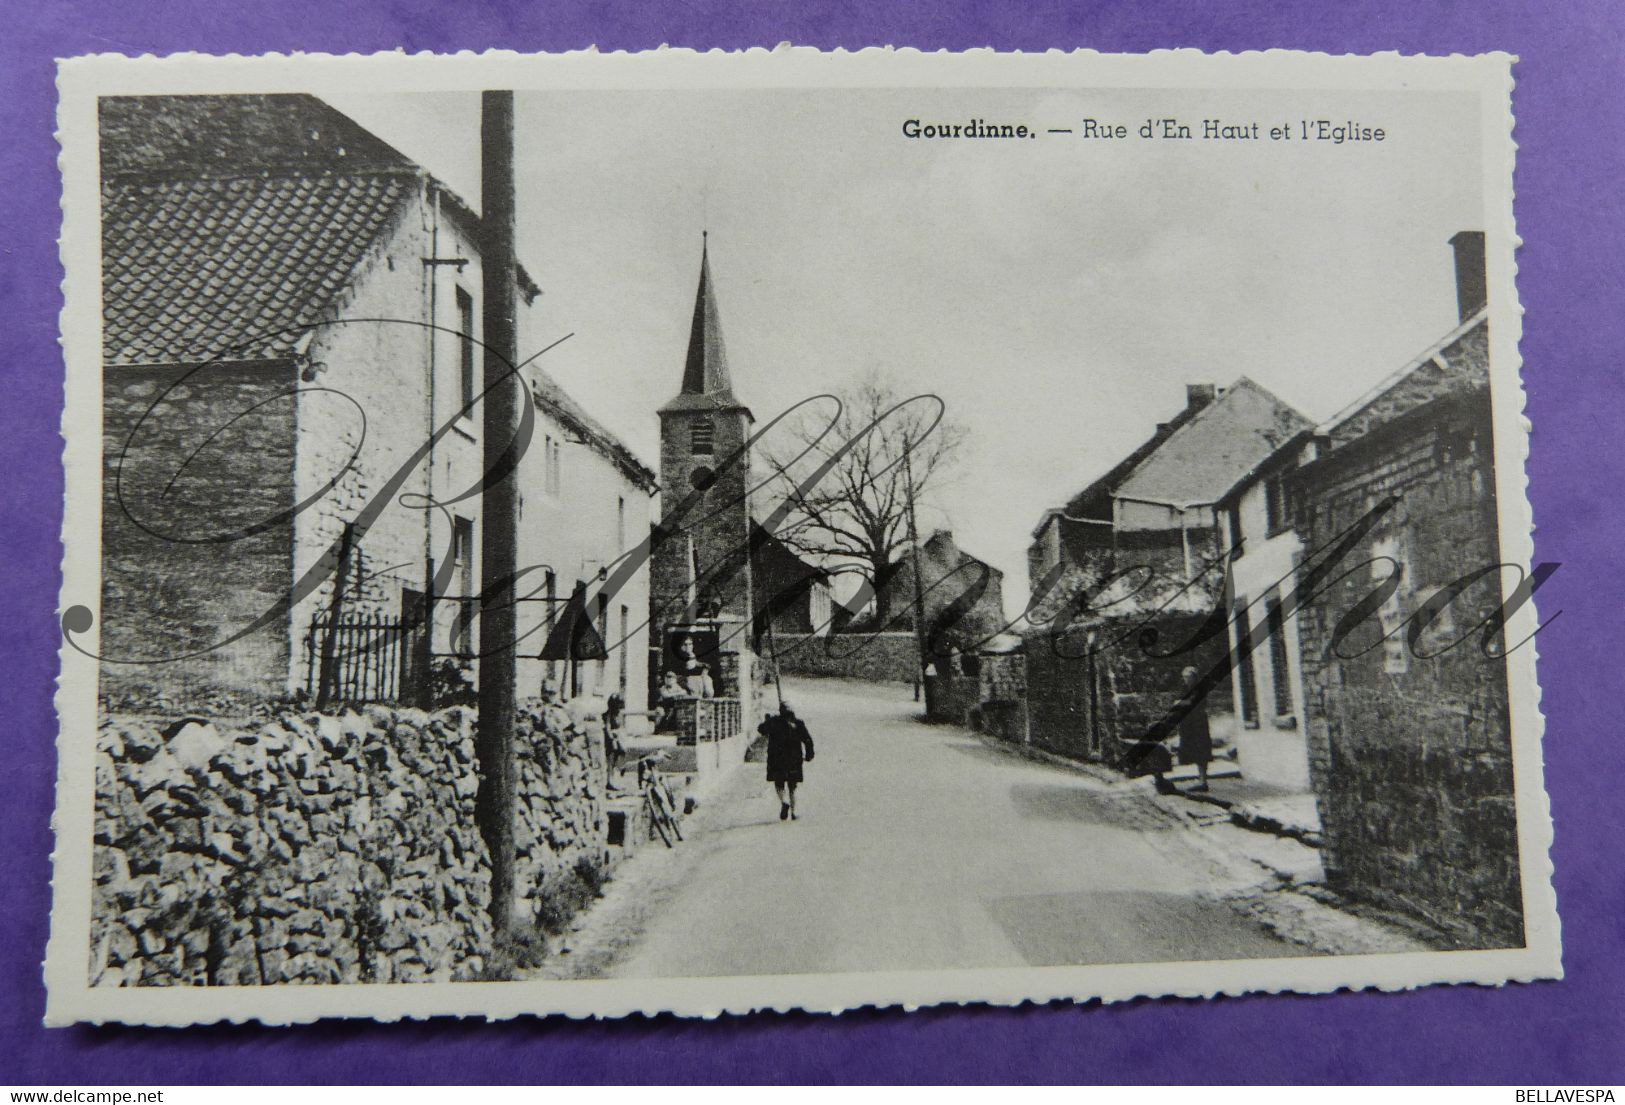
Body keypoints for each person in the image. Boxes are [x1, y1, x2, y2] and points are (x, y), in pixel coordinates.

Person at [758, 699, 815, 821]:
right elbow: (807, 740)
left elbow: (761, 730)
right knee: (793, 786)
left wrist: (767, 720)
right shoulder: (798, 723)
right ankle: (794, 812)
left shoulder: (774, 722)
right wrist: (809, 754)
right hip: (794, 759)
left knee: (779, 783)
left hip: (776, 758)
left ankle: (784, 802)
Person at [1175, 665, 1213, 792]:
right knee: (1192, 751)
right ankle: (1201, 780)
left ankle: (1203, 781)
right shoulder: (1185, 689)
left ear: (1194, 678)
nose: (1186, 680)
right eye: (1184, 677)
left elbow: (1195, 702)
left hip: (1199, 723)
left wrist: (1180, 703)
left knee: (1201, 750)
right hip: (1188, 724)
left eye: (1188, 677)